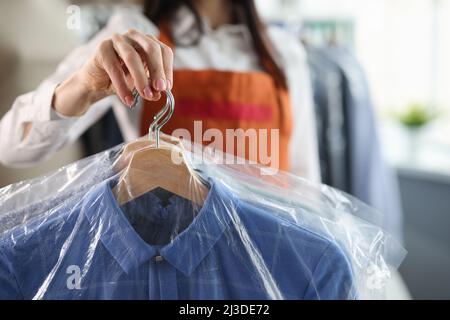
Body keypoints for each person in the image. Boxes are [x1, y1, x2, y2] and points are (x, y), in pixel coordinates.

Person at [0, 0, 320, 181]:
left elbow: (303, 184)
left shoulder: (283, 53)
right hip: (165, 269)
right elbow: (11, 146)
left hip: (261, 270)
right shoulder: (134, 37)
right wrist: (83, 86)